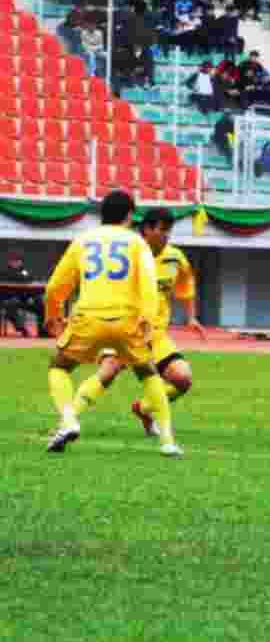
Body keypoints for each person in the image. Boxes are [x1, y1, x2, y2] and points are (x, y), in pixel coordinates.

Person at [42, 191, 182, 457]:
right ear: (130, 215)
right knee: (149, 373)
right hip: (126, 320)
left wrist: (53, 314)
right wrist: (147, 319)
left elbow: (56, 286)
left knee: (59, 367)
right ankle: (167, 440)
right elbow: (148, 285)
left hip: (88, 317)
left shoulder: (82, 240)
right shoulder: (136, 243)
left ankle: (69, 420)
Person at [88, 209, 207, 439]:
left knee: (183, 379)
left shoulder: (175, 257)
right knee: (109, 371)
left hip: (156, 335)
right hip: (125, 331)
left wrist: (191, 316)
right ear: (146, 229)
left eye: (168, 230)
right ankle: (68, 420)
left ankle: (143, 408)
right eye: (161, 230)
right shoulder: (127, 256)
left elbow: (187, 283)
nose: (166, 235)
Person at [0, 249, 46, 337]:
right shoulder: (4, 272)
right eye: (14, 260)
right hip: (8, 299)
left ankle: (43, 331)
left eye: (18, 260)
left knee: (41, 304)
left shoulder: (24, 271)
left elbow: (30, 279)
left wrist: (31, 297)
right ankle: (23, 329)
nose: (16, 262)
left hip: (24, 300)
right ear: (10, 261)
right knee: (11, 304)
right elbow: (14, 277)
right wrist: (19, 277)